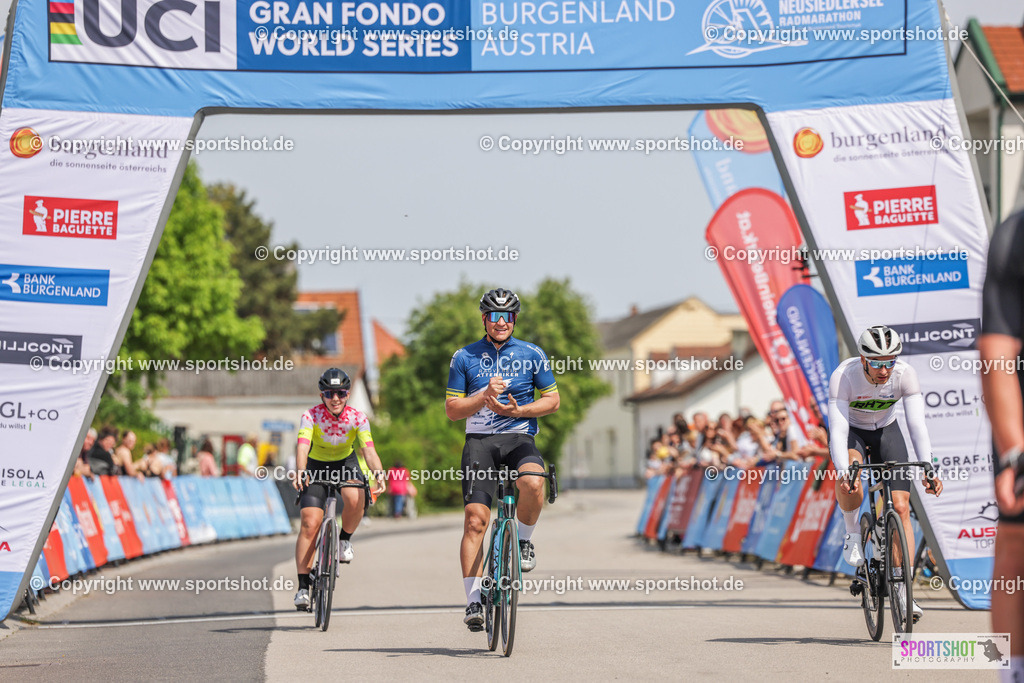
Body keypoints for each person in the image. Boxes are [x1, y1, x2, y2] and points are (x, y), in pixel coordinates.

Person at [445, 288, 560, 632]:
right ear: (484, 319)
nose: (501, 322)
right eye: (494, 316)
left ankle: (523, 541)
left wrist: (519, 411)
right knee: (475, 521)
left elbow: (553, 400)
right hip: (480, 442)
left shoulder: (532, 353)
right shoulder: (464, 356)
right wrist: (483, 396)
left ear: (514, 319)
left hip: (519, 438)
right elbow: (452, 410)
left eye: (507, 316)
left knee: (533, 482)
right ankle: (473, 601)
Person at [828, 325, 943, 623]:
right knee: (851, 479)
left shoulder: (905, 374)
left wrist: (928, 466)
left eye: (890, 362)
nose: (884, 370)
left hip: (887, 432)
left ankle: (904, 590)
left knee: (901, 507)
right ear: (863, 359)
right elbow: (838, 430)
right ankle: (853, 532)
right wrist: (845, 472)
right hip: (853, 433)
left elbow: (917, 425)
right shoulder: (844, 376)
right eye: (877, 363)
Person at [292, 368, 386, 610]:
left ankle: (344, 540)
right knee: (310, 523)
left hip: (345, 463)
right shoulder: (310, 416)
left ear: (348, 394)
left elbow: (369, 451)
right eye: (329, 393)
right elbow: (302, 446)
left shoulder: (358, 418)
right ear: (321, 395)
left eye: (341, 393)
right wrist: (301, 470)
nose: (335, 399)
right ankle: (303, 586)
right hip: (316, 466)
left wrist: (378, 473)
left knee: (356, 497)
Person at [979, 208, 1024, 683]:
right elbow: (996, 354)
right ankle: (1012, 672)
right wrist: (1014, 453)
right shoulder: (1016, 234)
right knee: (1015, 539)